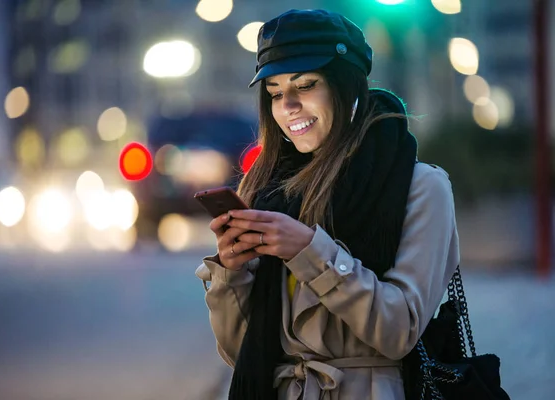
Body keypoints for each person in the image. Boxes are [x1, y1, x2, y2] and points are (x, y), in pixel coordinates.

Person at [195, 9, 459, 400]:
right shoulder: (269, 190)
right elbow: (239, 352)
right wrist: (232, 273)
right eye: (275, 93)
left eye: (305, 85)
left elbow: (399, 329)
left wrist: (308, 250)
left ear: (348, 86)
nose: (288, 106)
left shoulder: (420, 186)